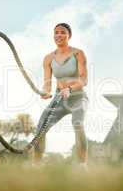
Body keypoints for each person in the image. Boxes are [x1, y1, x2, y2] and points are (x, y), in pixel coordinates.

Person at [34, 23, 89, 166]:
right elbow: (48, 83)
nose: (59, 35)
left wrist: (70, 89)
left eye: (62, 32)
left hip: (77, 97)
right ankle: (36, 166)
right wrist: (45, 92)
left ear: (69, 36)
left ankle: (82, 165)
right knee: (41, 127)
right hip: (59, 99)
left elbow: (84, 79)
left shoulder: (78, 53)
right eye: (56, 32)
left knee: (77, 123)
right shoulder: (48, 58)